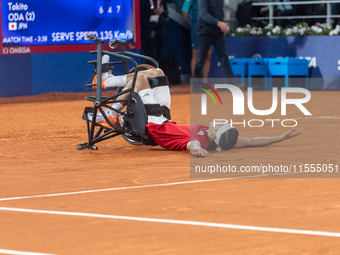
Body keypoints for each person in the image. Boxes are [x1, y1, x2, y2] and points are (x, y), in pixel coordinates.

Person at [90, 56, 303, 157]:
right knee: (159, 73)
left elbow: (191, 144)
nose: (219, 123)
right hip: (164, 117)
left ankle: (109, 114)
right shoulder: (223, 141)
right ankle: (107, 81)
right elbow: (253, 141)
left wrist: (197, 150)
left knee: (142, 81)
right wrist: (281, 137)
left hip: (155, 125)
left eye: (220, 126)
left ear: (213, 135)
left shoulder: (200, 140)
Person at [194, 0, 234, 80]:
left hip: (218, 32)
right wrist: (218, 23)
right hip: (205, 31)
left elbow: (220, 13)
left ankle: (232, 84)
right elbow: (203, 14)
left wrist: (223, 25)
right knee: (201, 59)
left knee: (224, 57)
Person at [182, 0, 213, 80]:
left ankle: (204, 82)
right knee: (196, 54)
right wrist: (193, 24)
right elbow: (185, 11)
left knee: (208, 54)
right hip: (197, 29)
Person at [140, 0, 168, 65]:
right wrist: (152, 11)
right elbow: (140, 13)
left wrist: (162, 11)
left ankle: (157, 69)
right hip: (148, 28)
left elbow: (166, 12)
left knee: (159, 52)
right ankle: (151, 69)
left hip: (159, 28)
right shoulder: (143, 1)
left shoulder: (161, 1)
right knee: (150, 52)